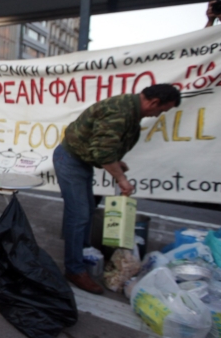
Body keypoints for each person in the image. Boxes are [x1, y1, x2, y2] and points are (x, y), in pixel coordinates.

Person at [53, 84, 180, 295]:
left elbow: (104, 142)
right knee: (80, 214)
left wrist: (116, 161)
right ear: (154, 102)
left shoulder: (131, 109)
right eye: (161, 110)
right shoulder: (121, 111)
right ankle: (74, 269)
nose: (159, 114)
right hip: (70, 159)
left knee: (86, 210)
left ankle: (81, 251)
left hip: (81, 159)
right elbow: (102, 151)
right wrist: (121, 179)